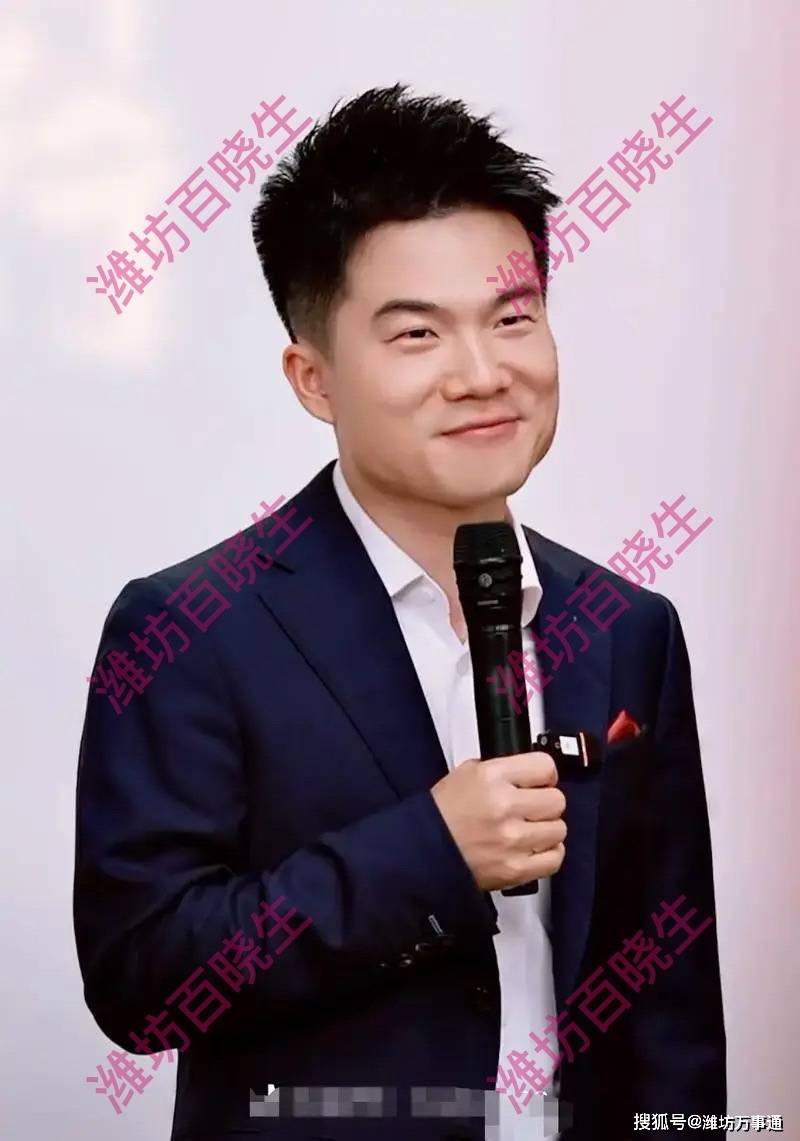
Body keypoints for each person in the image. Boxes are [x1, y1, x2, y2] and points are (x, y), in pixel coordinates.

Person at [74, 84, 726, 1141]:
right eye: (417, 333)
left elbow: (669, 1005)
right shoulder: (189, 627)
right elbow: (143, 977)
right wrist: (430, 850)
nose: (483, 374)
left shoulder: (625, 627)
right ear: (314, 378)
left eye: (512, 319)